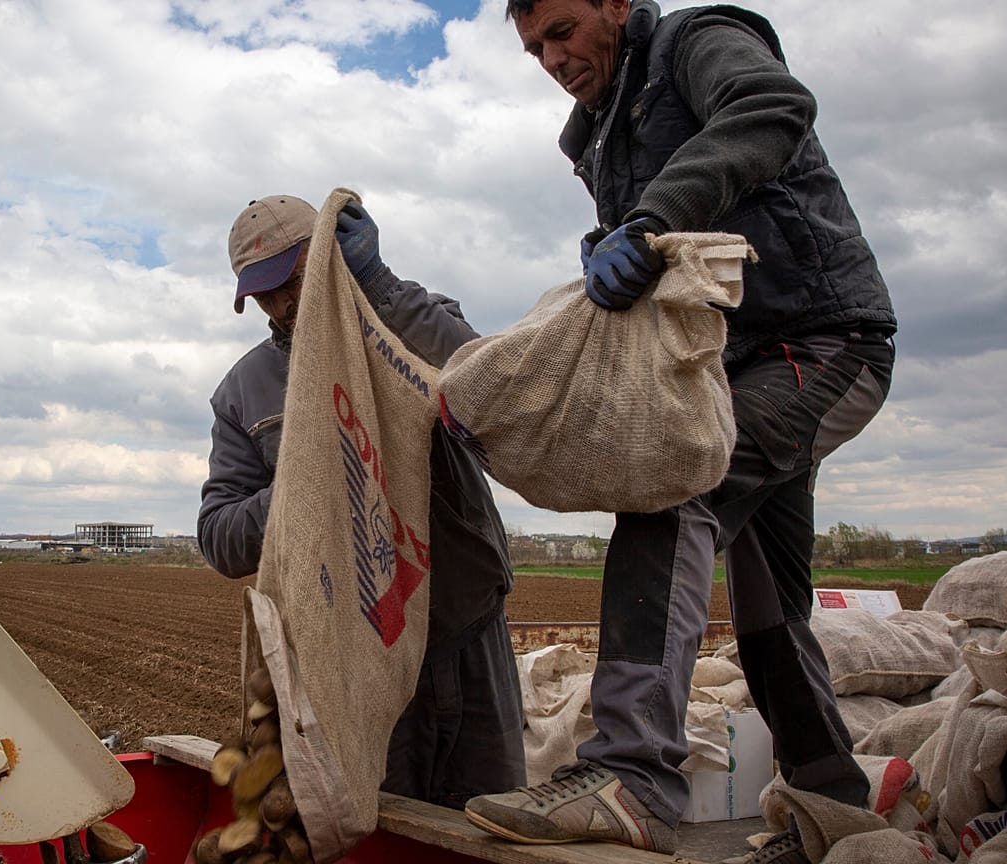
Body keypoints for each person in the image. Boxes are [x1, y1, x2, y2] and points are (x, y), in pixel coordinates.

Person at [463, 1, 897, 860]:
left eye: (562, 30)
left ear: (618, 5)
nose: (550, 57)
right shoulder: (592, 131)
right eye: (533, 47)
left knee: (673, 487)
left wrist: (651, 217)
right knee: (771, 603)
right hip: (727, 371)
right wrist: (610, 242)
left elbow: (770, 108)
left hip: (822, 341)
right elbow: (643, 233)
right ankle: (834, 808)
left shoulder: (696, 43)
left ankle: (631, 777)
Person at [197, 193, 527, 809]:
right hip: (358, 656)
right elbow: (219, 536)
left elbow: (487, 388)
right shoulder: (244, 392)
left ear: (325, 259)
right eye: (263, 294)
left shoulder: (409, 319)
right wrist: (307, 472)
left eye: (291, 280)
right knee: (389, 826)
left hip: (466, 622)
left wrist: (380, 286)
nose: (283, 304)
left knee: (493, 818)